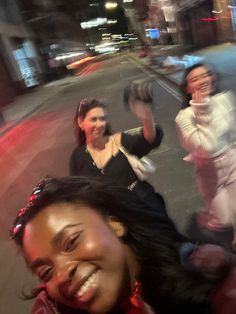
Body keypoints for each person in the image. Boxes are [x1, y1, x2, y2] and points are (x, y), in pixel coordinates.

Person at [10, 177, 236, 314]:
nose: (61, 275)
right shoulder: (59, 306)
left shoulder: (216, 288)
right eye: (46, 272)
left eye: (71, 242)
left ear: (115, 223)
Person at [69, 95, 166, 216]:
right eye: (94, 119)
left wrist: (147, 117)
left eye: (102, 119)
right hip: (112, 219)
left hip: (143, 207)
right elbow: (78, 194)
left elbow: (148, 140)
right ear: (80, 122)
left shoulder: (119, 140)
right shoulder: (77, 156)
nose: (99, 124)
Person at [175, 63, 236, 248]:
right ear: (187, 88)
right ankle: (206, 217)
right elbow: (207, 148)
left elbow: (232, 133)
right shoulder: (183, 117)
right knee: (223, 220)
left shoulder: (225, 99)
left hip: (232, 161)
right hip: (209, 172)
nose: (204, 80)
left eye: (206, 75)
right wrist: (202, 111)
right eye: (195, 79)